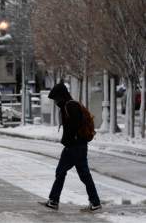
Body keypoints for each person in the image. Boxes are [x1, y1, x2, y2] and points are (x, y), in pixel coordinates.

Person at [40, 82, 101, 212]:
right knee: (84, 175)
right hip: (79, 146)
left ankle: (53, 200)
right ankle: (95, 202)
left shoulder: (70, 106)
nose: (55, 101)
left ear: (61, 96)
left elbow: (74, 126)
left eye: (56, 98)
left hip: (74, 147)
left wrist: (69, 142)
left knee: (61, 172)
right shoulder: (69, 104)